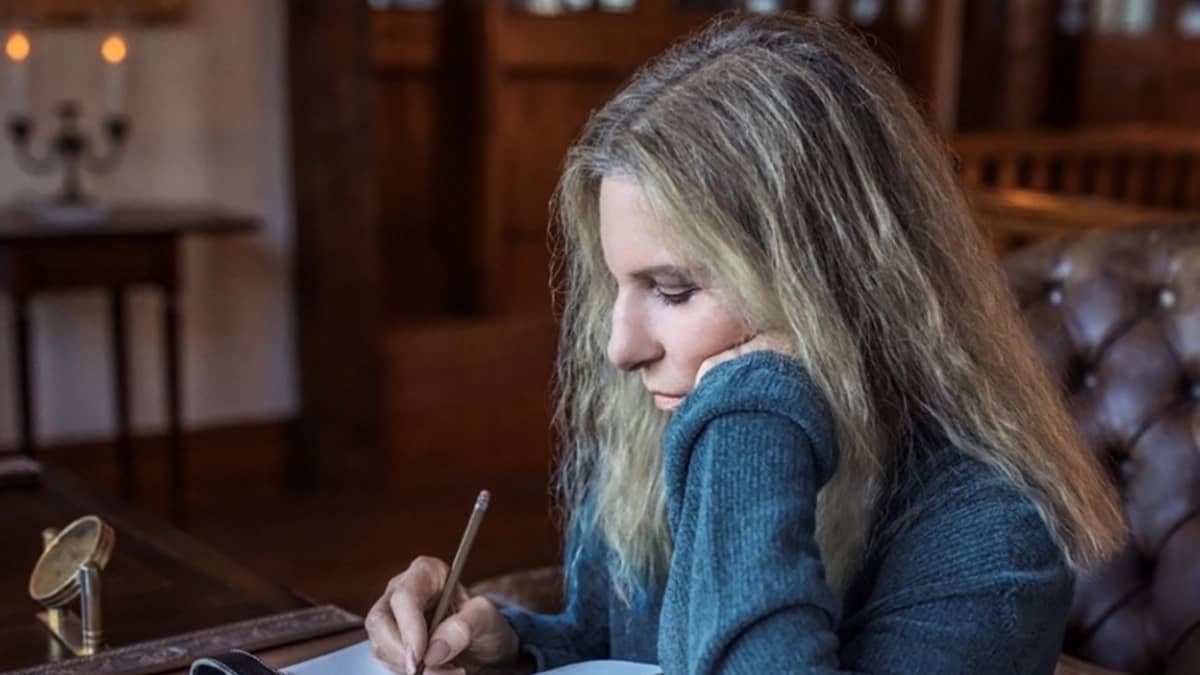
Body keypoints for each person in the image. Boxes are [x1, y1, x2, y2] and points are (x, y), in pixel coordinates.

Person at [366, 13, 1126, 675]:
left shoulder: (991, 533)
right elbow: (625, 648)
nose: (617, 346)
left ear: (830, 287)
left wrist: (753, 414)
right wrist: (512, 647)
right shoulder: (660, 425)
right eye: (616, 284)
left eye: (672, 289)